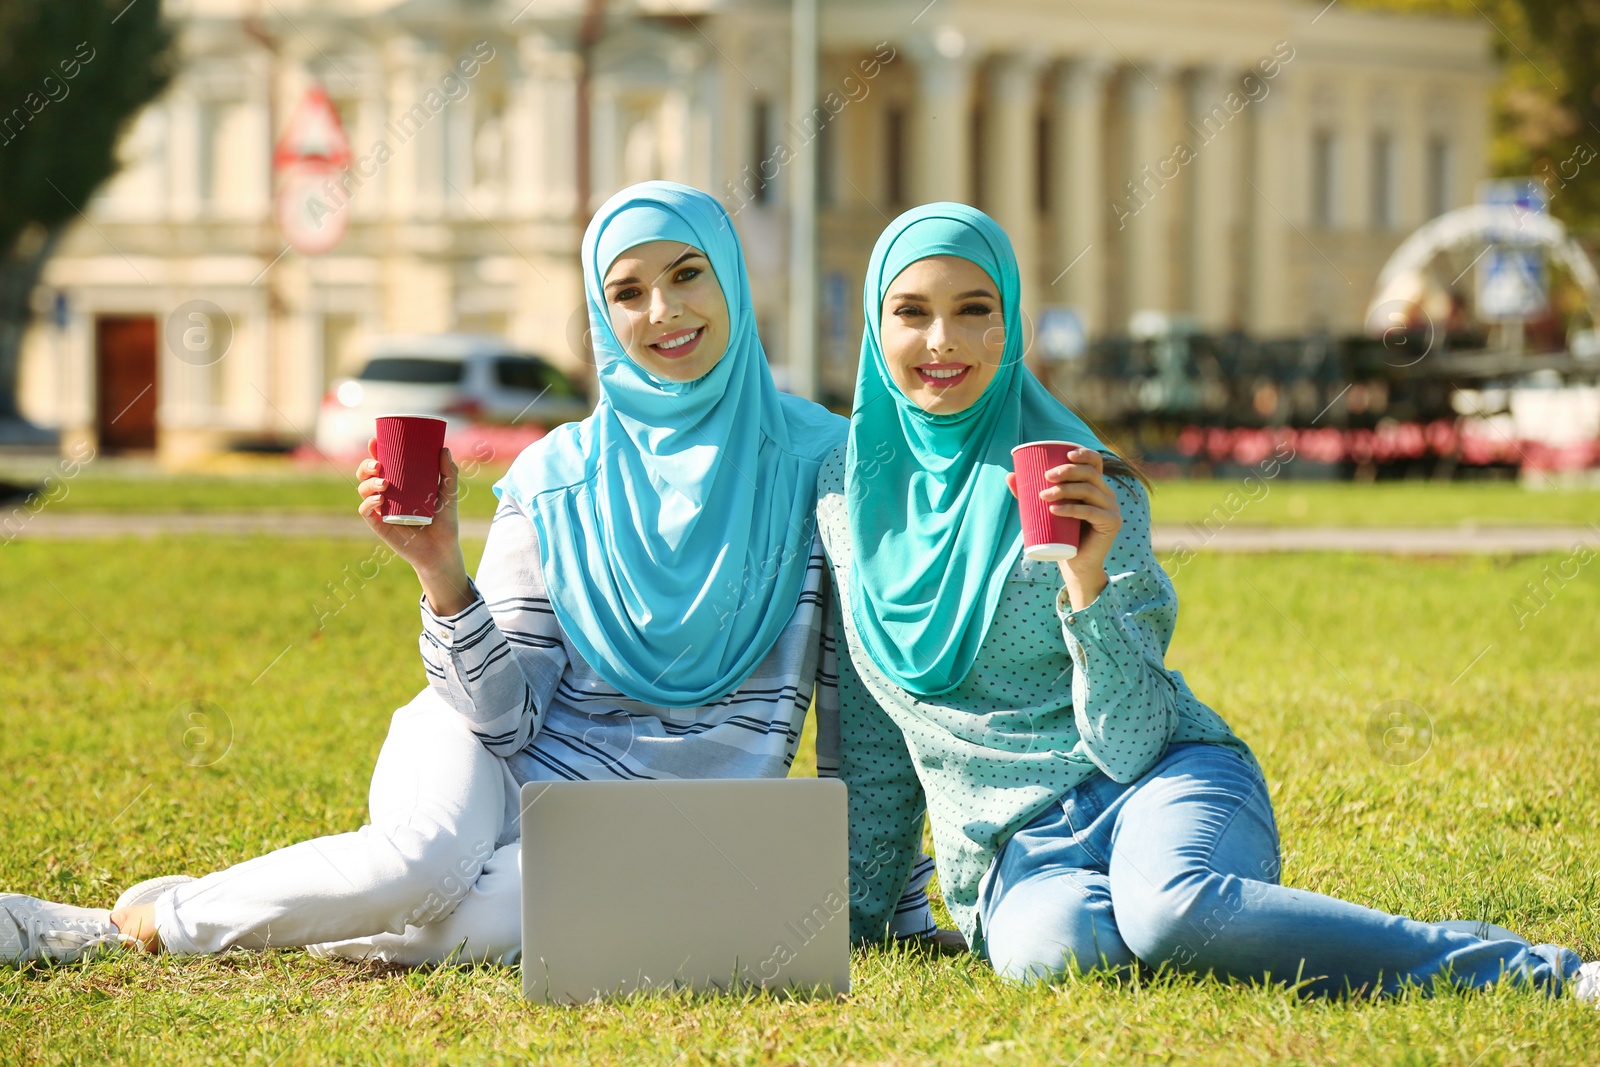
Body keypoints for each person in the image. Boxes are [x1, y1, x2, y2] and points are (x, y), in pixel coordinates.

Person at [0, 181, 936, 967]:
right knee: (419, 871)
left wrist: (892, 905)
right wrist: (441, 568)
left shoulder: (824, 460)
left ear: (729, 278)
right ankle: (114, 929)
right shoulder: (556, 475)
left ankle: (209, 908)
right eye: (628, 292)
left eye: (688, 275)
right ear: (602, 317)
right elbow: (505, 719)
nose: (664, 312)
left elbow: (868, 699)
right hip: (486, 745)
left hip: (666, 825)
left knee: (481, 922)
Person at [817, 201, 1599, 1001]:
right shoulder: (845, 498)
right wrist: (864, 917)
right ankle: (1235, 923)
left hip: (1160, 783)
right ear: (877, 331)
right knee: (1059, 950)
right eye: (911, 313)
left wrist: (1087, 584)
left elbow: (1133, 742)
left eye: (974, 311)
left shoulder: (1088, 487)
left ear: (1010, 326)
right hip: (1019, 851)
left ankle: (1532, 972)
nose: (942, 339)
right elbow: (880, 728)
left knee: (1168, 910)